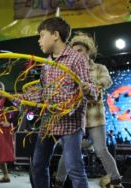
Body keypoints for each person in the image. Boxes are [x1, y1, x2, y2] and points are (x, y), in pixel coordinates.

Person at [27, 17, 97, 188]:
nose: (39, 40)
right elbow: (45, 94)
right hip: (49, 121)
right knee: (37, 165)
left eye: (42, 35)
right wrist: (27, 99)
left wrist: (88, 90)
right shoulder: (47, 63)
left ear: (55, 35)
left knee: (74, 168)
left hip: (71, 122)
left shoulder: (76, 59)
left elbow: (91, 90)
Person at [54, 32, 123, 188]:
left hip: (95, 116)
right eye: (74, 50)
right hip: (75, 117)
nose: (77, 53)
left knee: (101, 150)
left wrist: (90, 83)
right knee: (68, 152)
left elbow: (107, 80)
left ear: (88, 52)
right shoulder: (70, 70)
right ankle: (58, 182)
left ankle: (116, 181)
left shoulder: (99, 67)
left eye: (81, 50)